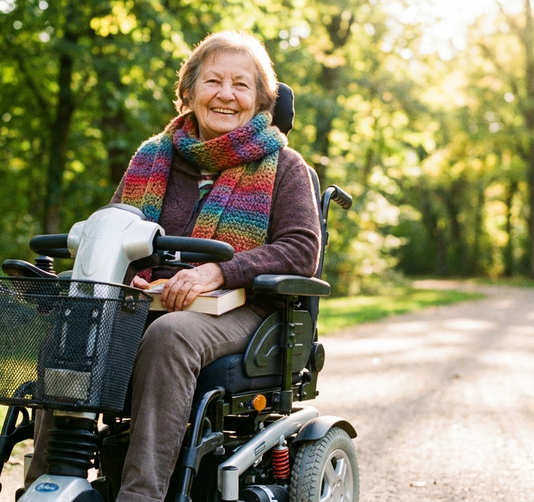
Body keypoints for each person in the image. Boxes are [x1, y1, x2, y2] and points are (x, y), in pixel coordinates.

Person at [25, 30, 322, 502]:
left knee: (170, 336)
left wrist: (220, 272)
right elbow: (114, 231)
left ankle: (140, 496)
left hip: (244, 309)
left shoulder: (285, 166)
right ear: (189, 92)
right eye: (213, 81)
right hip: (147, 300)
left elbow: (301, 248)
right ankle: (48, 485)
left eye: (241, 85)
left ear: (261, 100)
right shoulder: (151, 157)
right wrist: (129, 273)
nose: (226, 94)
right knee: (69, 329)